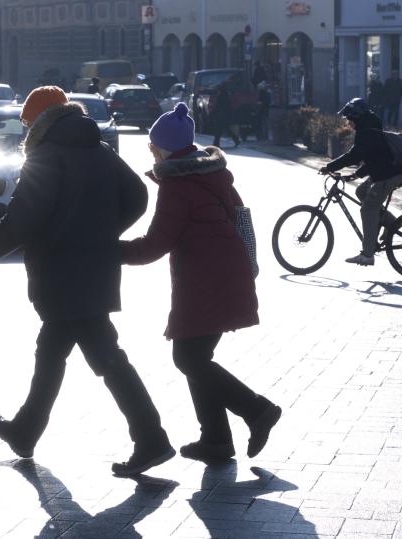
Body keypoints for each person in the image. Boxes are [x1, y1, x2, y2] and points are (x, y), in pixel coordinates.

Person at [0, 87, 174, 477]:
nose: (26, 126)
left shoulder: (46, 155)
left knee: (107, 358)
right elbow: (136, 195)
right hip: (92, 269)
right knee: (50, 350)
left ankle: (151, 437)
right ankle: (25, 430)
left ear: (42, 120)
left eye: (29, 120)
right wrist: (101, 233)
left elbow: (24, 214)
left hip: (62, 273)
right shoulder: (99, 149)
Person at [119, 102, 282, 462]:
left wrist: (108, 251)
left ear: (163, 148)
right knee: (195, 356)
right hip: (225, 276)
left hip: (206, 282)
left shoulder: (178, 185)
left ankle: (256, 410)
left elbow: (155, 245)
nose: (150, 150)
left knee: (189, 357)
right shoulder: (213, 174)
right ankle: (216, 440)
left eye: (152, 145)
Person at [318, 98, 402, 267]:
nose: (348, 122)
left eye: (349, 119)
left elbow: (354, 155)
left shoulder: (366, 132)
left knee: (368, 208)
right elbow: (374, 157)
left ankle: (368, 255)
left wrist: (329, 166)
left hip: (389, 174)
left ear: (356, 117)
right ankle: (392, 224)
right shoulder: (370, 128)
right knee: (361, 192)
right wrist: (356, 175)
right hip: (384, 172)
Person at [211, 76, 241, 148]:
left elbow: (218, 105)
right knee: (225, 129)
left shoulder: (222, 96)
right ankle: (236, 140)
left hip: (221, 115)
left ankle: (216, 144)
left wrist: (213, 112)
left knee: (219, 130)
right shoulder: (225, 95)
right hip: (225, 115)